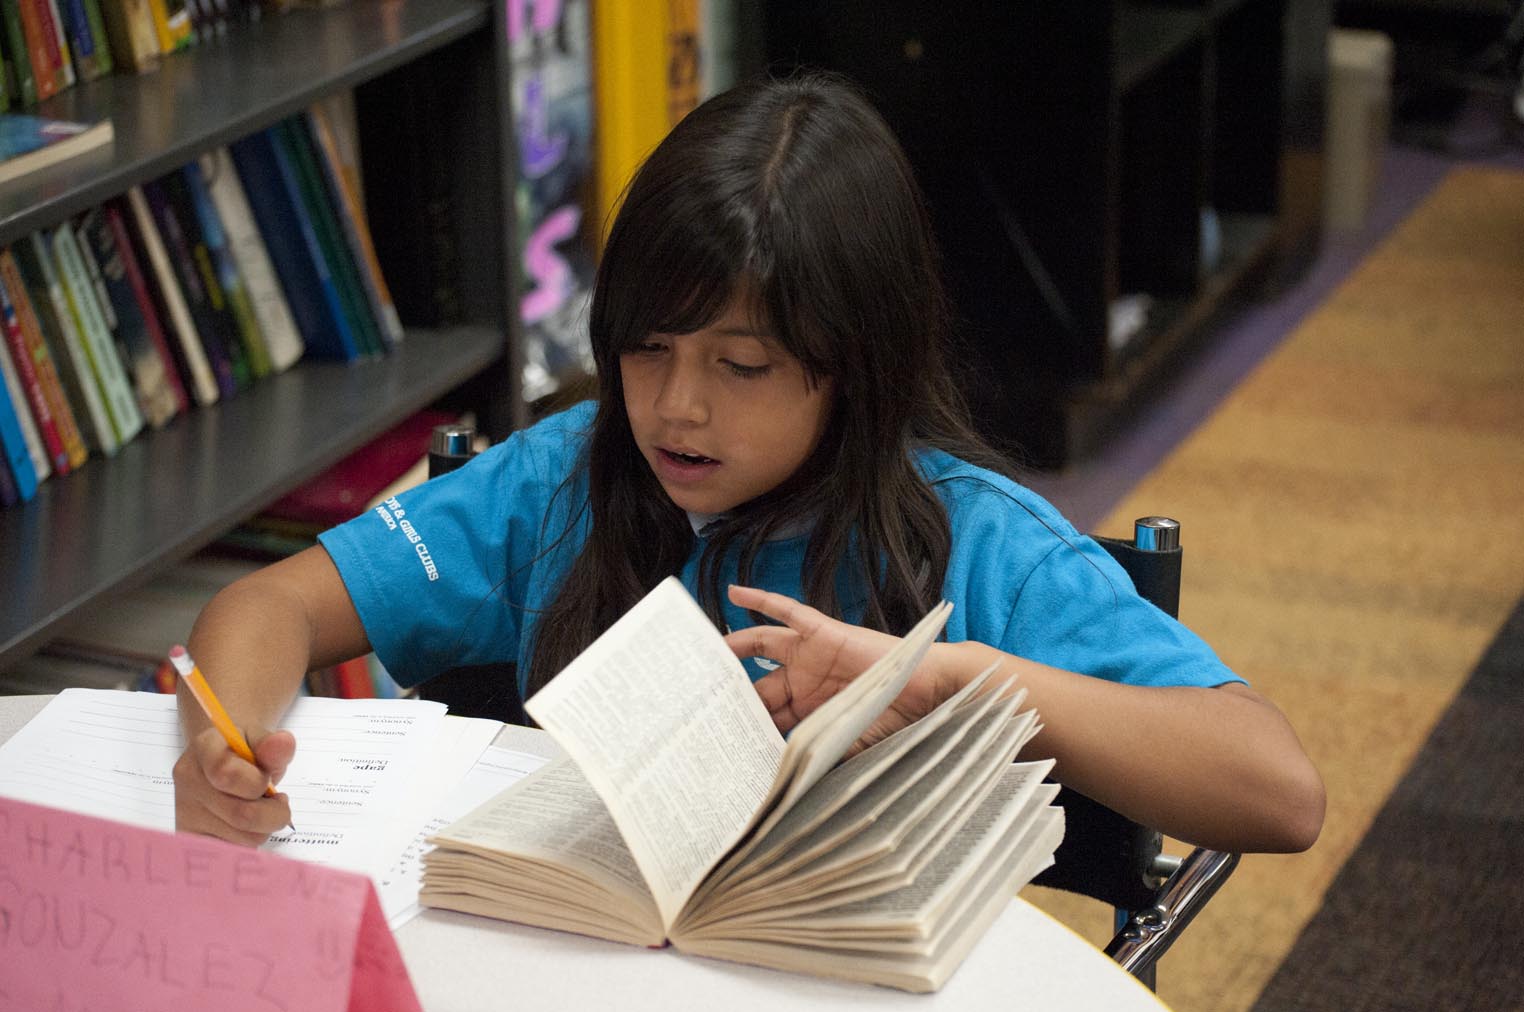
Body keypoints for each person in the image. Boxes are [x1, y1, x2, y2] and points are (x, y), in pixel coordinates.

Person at [174, 71, 1324, 855]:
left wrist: (943, 680)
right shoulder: (564, 478)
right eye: (647, 348)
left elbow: (1277, 790)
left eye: (745, 367)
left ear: (855, 364)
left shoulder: (972, 538)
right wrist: (223, 750)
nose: (677, 408)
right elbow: (270, 606)